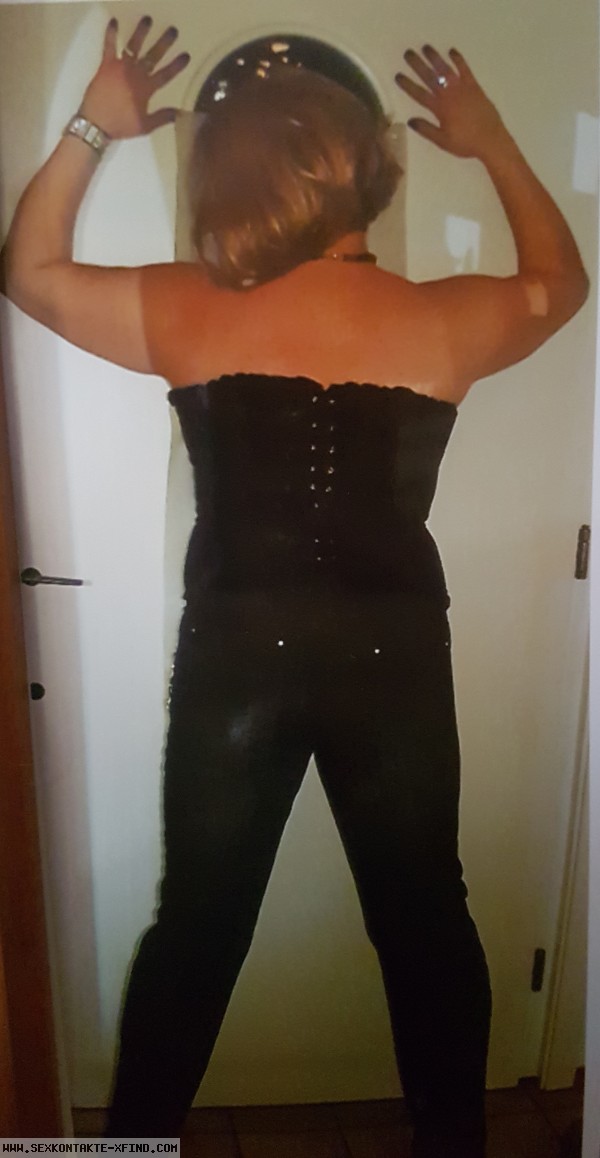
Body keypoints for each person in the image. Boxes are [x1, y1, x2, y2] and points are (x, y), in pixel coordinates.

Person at [1, 16, 589, 1158]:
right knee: (428, 924)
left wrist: (93, 128)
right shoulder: (440, 319)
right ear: (369, 168)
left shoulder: (188, 306)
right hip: (395, 665)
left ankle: (130, 1148)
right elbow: (561, 281)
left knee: (195, 931)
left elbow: (27, 271)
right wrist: (494, 141)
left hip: (236, 661)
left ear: (235, 178)